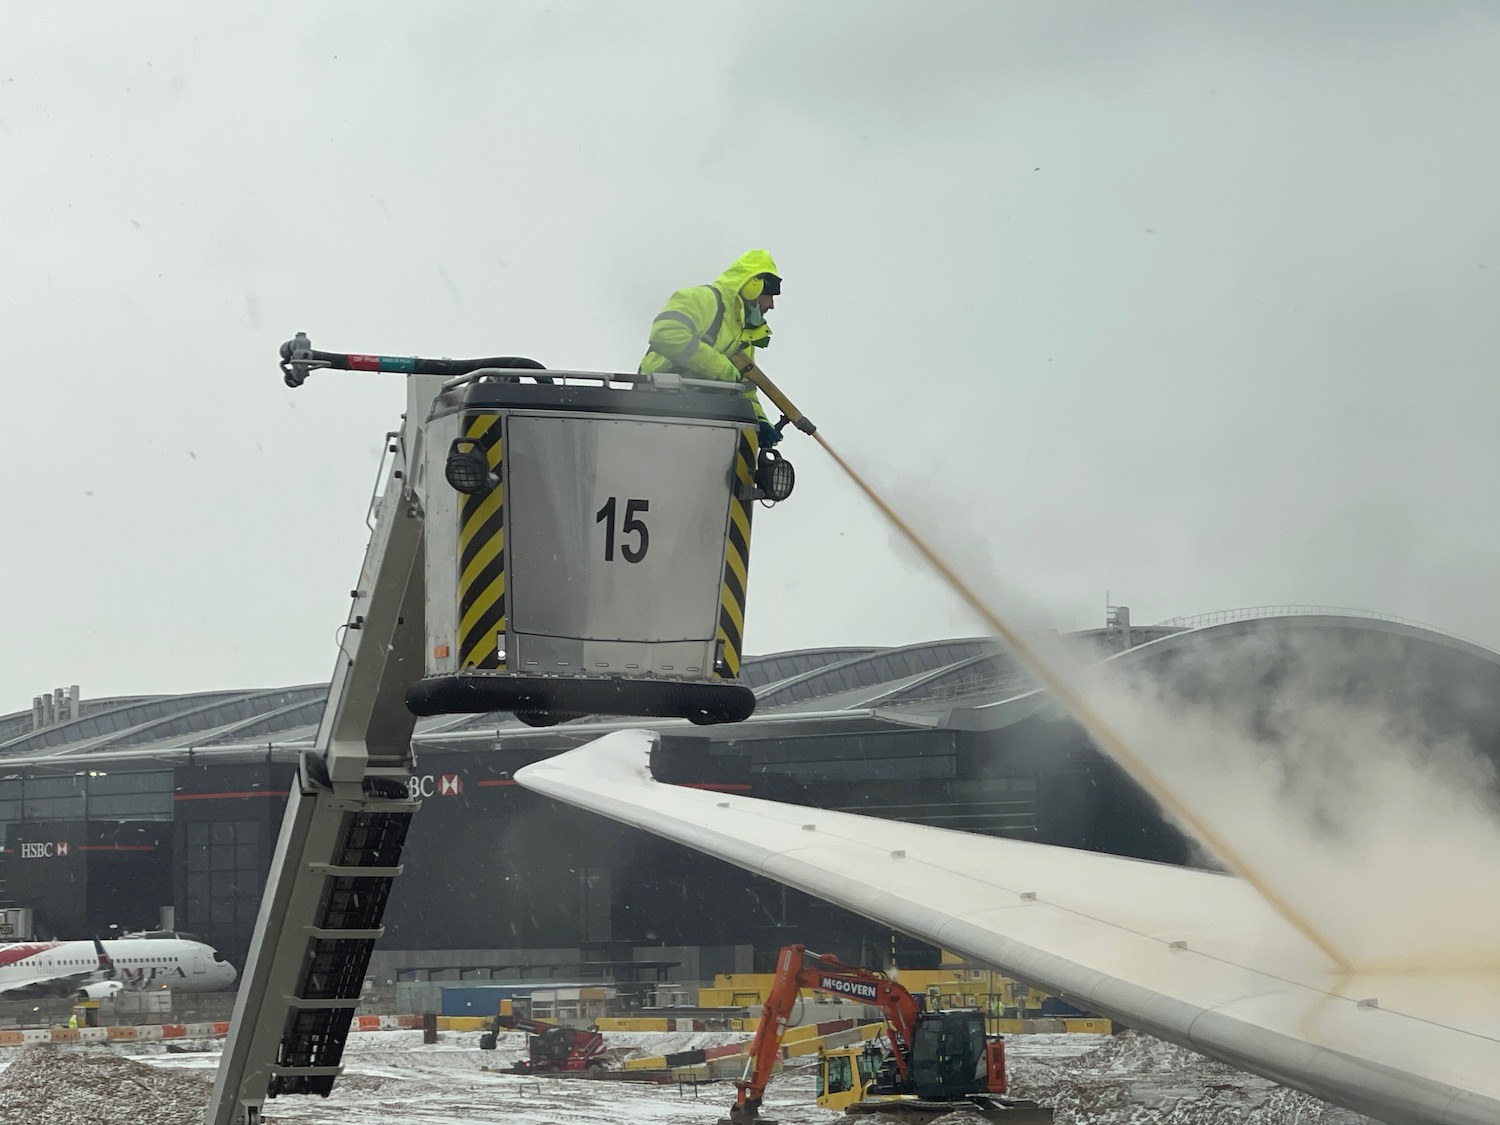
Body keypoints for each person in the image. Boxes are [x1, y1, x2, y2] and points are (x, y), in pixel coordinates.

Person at [639, 249, 784, 446]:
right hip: (658, 406)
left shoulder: (743, 334)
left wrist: (758, 421)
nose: (772, 305)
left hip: (706, 422)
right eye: (769, 296)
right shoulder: (704, 299)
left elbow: (744, 388)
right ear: (753, 287)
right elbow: (666, 333)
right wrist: (721, 368)